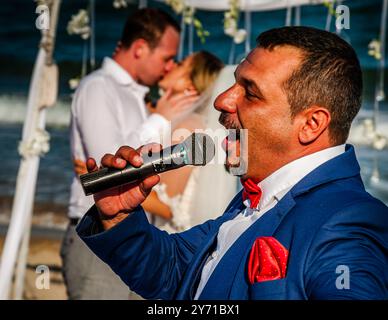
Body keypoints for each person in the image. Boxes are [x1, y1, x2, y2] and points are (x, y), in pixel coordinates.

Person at [76, 26, 388, 299]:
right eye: (235, 83)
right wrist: (120, 217)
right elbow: (176, 274)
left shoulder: (349, 225)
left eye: (250, 92)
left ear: (311, 124)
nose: (221, 101)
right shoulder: (252, 199)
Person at [62, 8, 198, 300]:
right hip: (99, 236)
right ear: (139, 49)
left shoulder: (138, 95)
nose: (169, 66)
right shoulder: (99, 87)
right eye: (166, 58)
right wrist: (159, 119)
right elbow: (108, 172)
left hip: (130, 233)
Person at [141, 51, 239, 232]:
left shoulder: (189, 127)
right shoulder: (195, 124)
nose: (170, 67)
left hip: (172, 237)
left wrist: (113, 182)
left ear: (190, 84)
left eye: (180, 64)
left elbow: (167, 204)